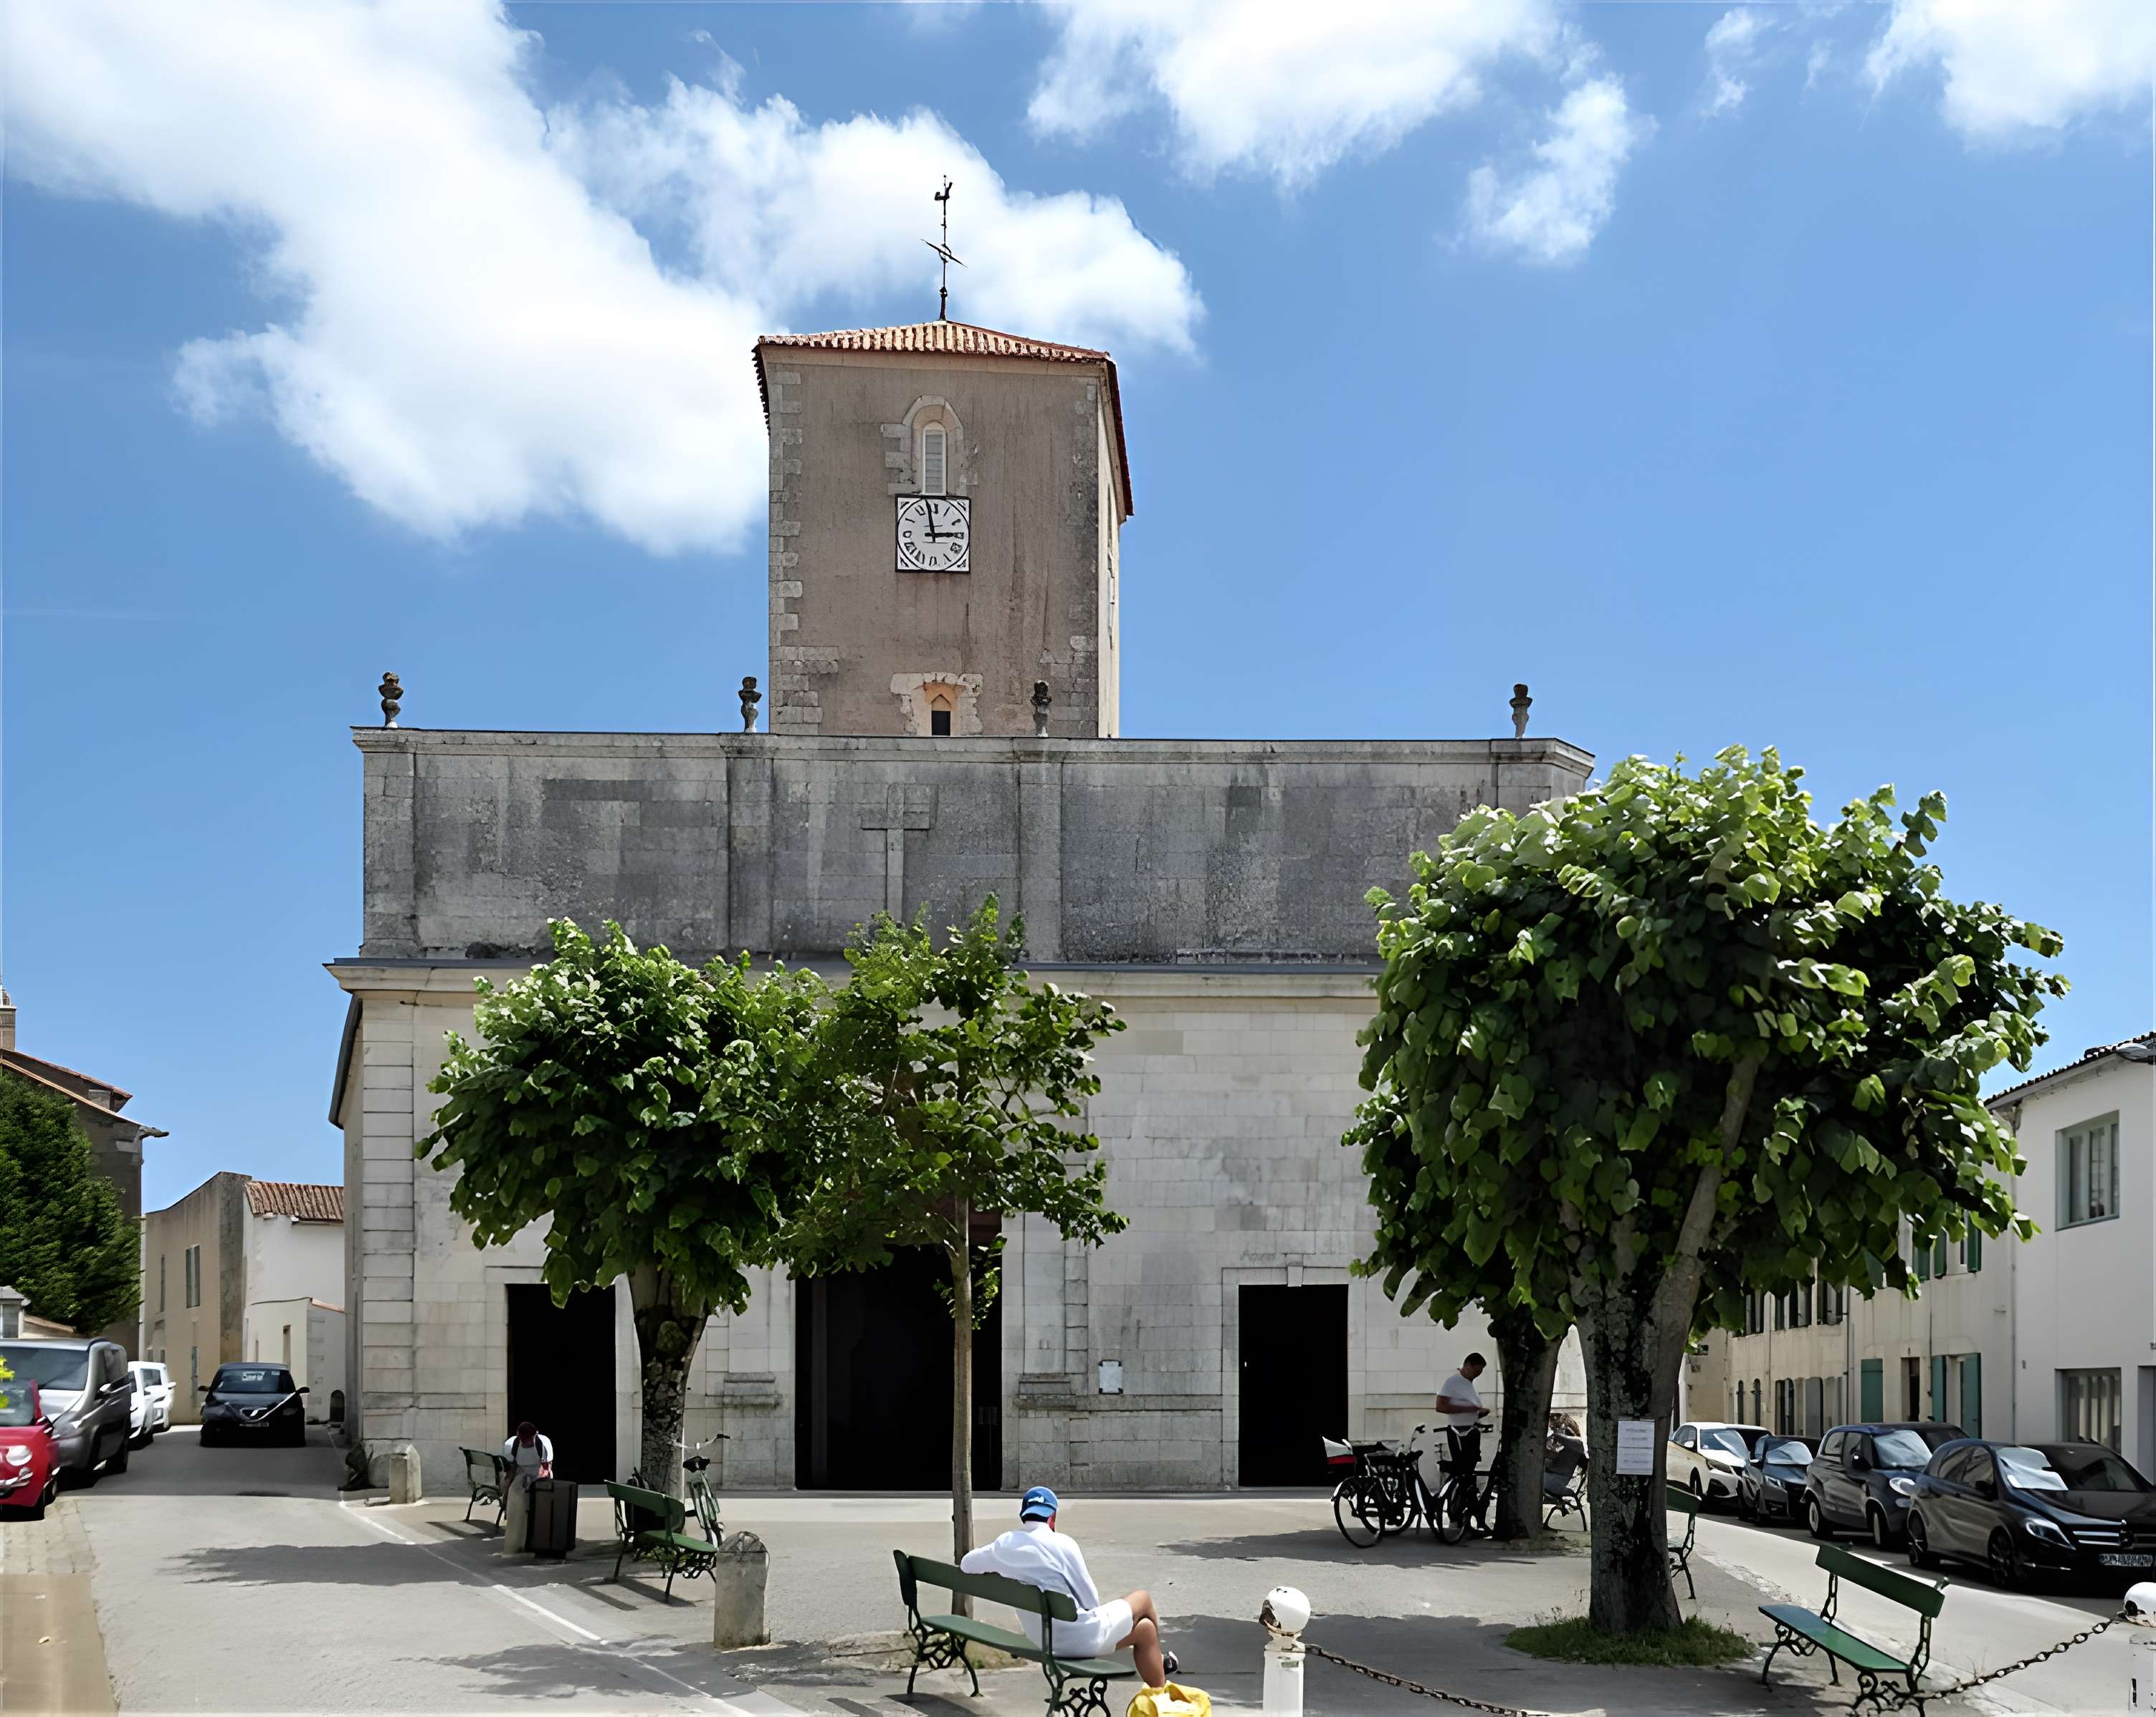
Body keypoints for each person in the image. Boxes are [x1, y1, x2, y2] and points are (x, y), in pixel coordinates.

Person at [960, 1487, 1178, 1688]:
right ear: (1052, 1517)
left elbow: (967, 1564)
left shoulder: (1005, 1544)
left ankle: (1159, 1674)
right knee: (1143, 1598)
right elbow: (1090, 1602)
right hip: (1083, 1638)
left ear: (1024, 1515)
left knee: (1145, 1630)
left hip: (1044, 1640)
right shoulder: (1064, 1544)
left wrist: (1001, 1567)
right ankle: (1160, 1686)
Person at [500, 1420, 554, 1551]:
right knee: (516, 1500)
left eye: (526, 1440)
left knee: (536, 1505)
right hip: (522, 1474)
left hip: (538, 1474)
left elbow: (546, 1468)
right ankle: (517, 1540)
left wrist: (536, 1483)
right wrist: (507, 1483)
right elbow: (513, 1466)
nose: (524, 1442)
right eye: (521, 1439)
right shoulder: (515, 1444)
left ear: (534, 1436)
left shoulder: (542, 1444)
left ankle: (536, 1539)